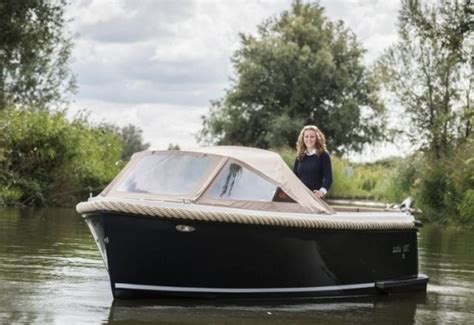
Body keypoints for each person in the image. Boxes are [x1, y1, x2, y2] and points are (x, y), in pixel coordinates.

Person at [293, 125, 332, 198]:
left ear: (317, 138)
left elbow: (328, 178)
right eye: (306, 136)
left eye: (312, 137)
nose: (309, 139)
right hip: (300, 197)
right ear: (302, 138)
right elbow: (294, 176)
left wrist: (321, 192)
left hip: (316, 197)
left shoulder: (323, 155)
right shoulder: (299, 156)